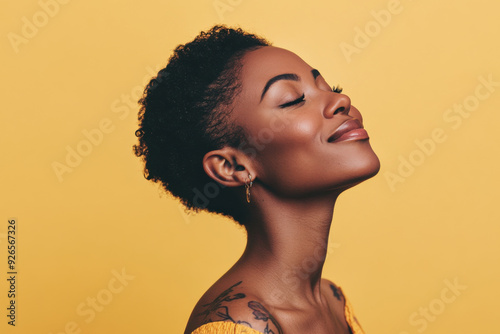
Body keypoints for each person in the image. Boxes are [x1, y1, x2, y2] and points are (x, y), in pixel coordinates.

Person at [134, 25, 380, 334]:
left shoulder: (333, 300)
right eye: (293, 100)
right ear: (232, 166)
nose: (340, 100)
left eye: (330, 87)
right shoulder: (237, 324)